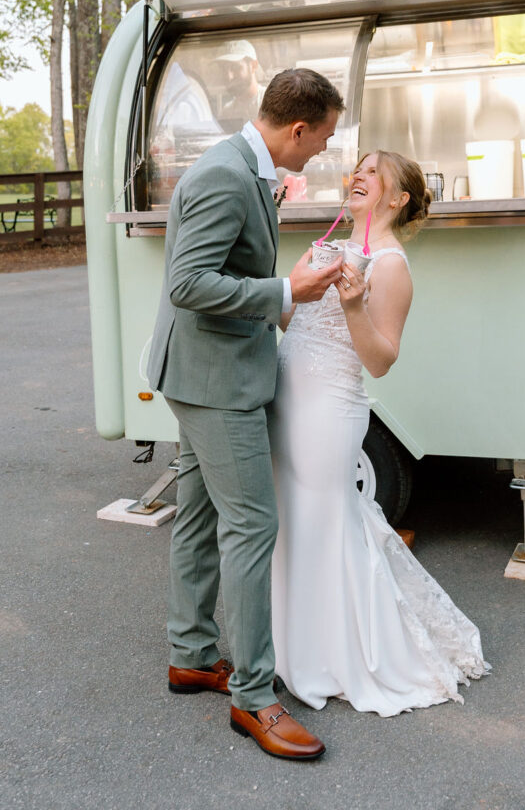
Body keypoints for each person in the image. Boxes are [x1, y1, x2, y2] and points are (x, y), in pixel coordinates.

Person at [146, 68, 345, 760]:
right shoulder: (226, 175)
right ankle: (254, 698)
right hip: (215, 381)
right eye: (322, 137)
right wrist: (285, 291)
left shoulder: (247, 170)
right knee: (252, 525)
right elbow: (189, 282)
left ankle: (192, 655)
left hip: (206, 370)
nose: (321, 150)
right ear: (297, 128)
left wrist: (283, 290)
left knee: (200, 517)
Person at [269, 150, 490, 716]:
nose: (359, 176)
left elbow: (381, 360)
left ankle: (338, 656)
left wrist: (352, 305)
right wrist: (293, 289)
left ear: (398, 199)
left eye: (374, 172)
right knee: (291, 521)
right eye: (358, 169)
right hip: (287, 396)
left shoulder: (390, 265)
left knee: (324, 524)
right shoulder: (332, 245)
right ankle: (293, 645)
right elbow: (288, 321)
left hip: (330, 408)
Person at [214, 39, 267, 125]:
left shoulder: (273, 103)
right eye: (223, 69)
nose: (229, 77)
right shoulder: (227, 113)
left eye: (235, 68)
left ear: (253, 66)